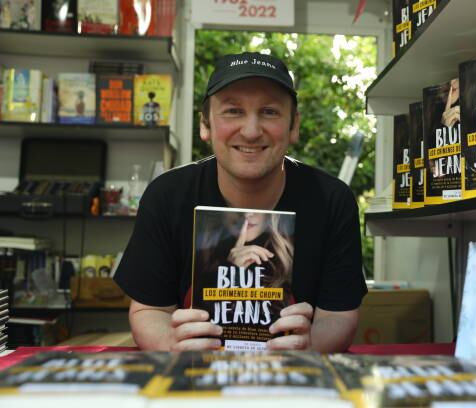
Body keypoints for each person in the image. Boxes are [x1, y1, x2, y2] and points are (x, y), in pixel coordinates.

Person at [113, 51, 368, 352]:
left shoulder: (332, 200)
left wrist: (312, 345)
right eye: (233, 111)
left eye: (270, 112)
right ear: (205, 125)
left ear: (293, 125)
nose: (250, 131)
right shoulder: (167, 196)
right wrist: (170, 342)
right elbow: (148, 310)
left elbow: (338, 316)